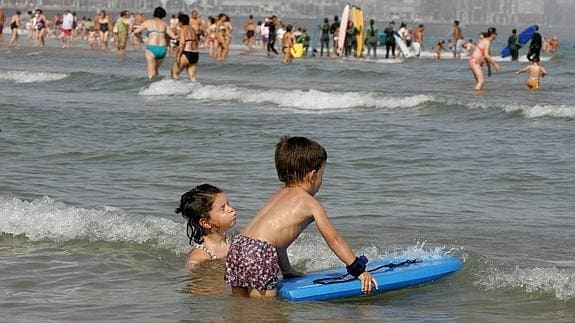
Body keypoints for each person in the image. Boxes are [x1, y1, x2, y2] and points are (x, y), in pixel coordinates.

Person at [225, 136, 378, 298]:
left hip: (239, 245)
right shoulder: (311, 204)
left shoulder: (279, 194)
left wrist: (287, 271)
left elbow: (275, 241)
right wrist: (358, 270)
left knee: (241, 302)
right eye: (322, 173)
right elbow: (334, 240)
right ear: (312, 175)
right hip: (259, 252)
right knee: (264, 309)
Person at [176, 184, 237, 271]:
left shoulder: (233, 237)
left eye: (228, 204)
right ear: (205, 223)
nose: (231, 209)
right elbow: (191, 277)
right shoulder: (200, 256)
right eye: (223, 208)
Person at [133, 7, 176, 78]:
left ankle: (151, 88)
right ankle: (158, 87)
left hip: (151, 48)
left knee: (151, 73)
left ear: (154, 14)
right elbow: (174, 37)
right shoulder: (165, 24)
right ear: (163, 15)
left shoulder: (148, 22)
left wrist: (140, 38)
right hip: (162, 49)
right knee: (156, 70)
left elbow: (135, 31)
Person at [171, 13, 199, 81]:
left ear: (180, 22)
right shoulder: (192, 29)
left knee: (174, 73)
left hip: (186, 53)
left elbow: (182, 43)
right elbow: (197, 41)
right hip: (195, 54)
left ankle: (177, 90)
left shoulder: (182, 29)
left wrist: (178, 55)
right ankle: (197, 90)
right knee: (192, 77)